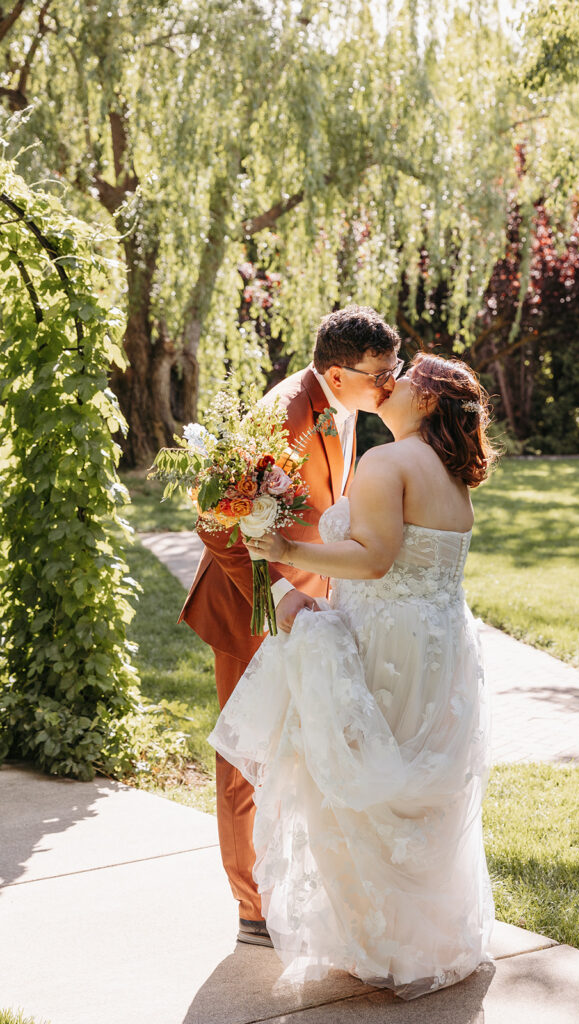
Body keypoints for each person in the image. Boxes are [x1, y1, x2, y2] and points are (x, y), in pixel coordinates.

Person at [208, 352, 499, 999]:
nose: (392, 379)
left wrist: (284, 549)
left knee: (358, 786)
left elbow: (371, 560)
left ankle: (377, 945)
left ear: (427, 402)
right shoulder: (448, 474)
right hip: (438, 647)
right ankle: (422, 940)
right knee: (413, 795)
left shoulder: (387, 461)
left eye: (409, 375)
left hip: (384, 646)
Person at [178, 306, 403, 946]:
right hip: (252, 608)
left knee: (293, 753)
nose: (390, 382)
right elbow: (215, 517)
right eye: (381, 372)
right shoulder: (284, 414)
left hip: (307, 603)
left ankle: (291, 886)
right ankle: (251, 906)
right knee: (248, 757)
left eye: (393, 370)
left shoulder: (347, 406)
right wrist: (277, 592)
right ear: (338, 371)